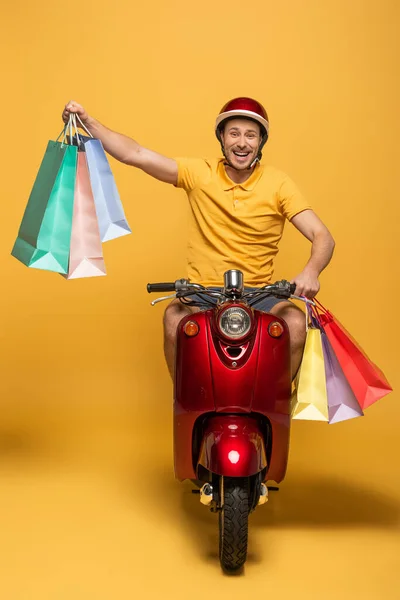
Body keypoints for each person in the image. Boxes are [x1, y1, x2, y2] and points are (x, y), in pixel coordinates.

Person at [62, 97, 335, 380]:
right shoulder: (199, 173)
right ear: (222, 138)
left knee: (294, 322)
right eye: (234, 133)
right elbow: (136, 154)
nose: (242, 142)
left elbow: (322, 236)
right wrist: (87, 122)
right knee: (173, 318)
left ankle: (276, 403)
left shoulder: (279, 183)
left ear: (261, 142)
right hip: (202, 293)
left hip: (260, 295)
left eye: (250, 135)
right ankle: (184, 399)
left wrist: (311, 272)